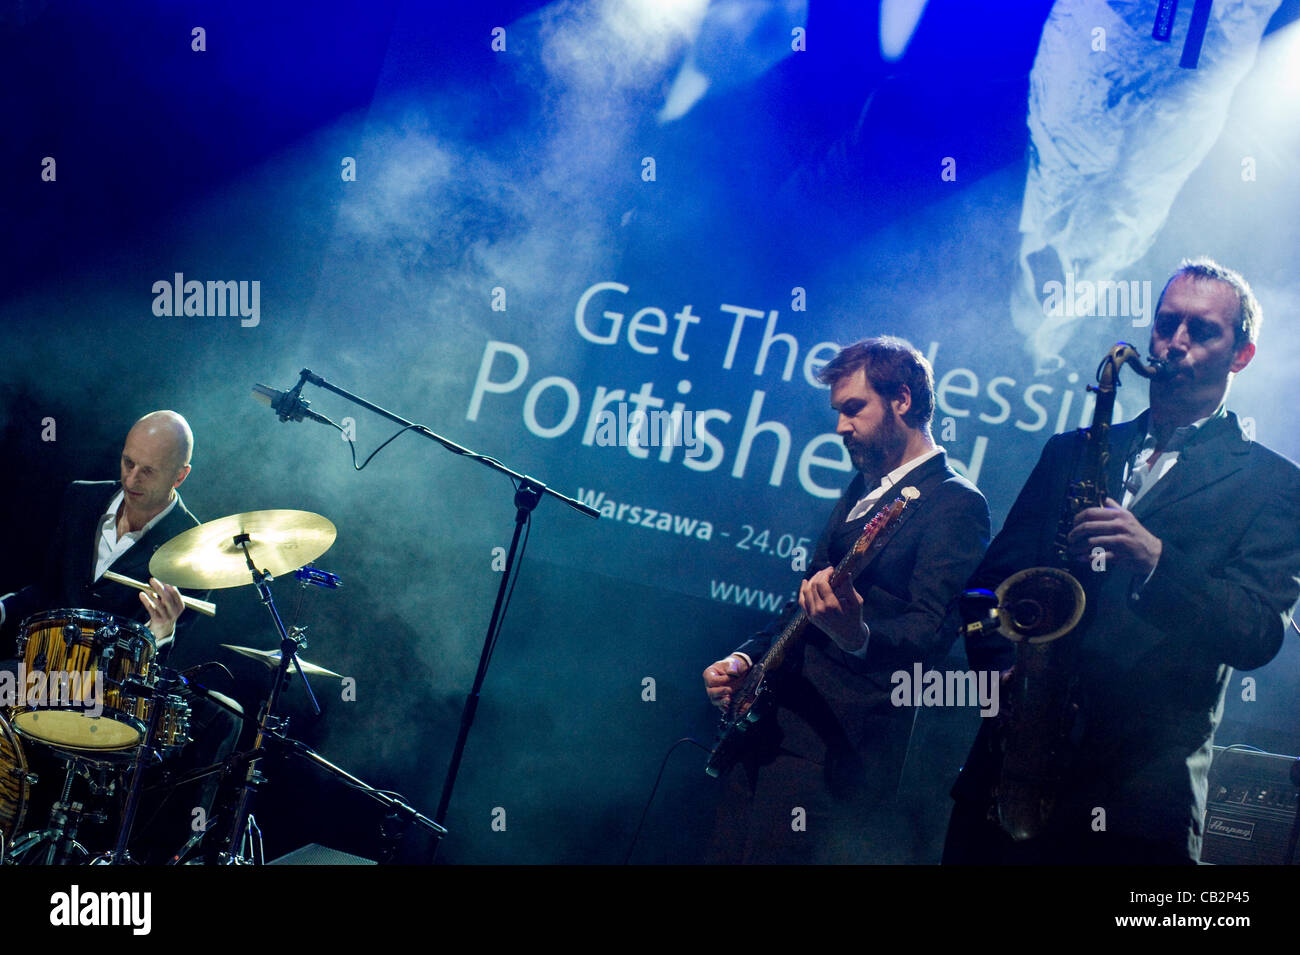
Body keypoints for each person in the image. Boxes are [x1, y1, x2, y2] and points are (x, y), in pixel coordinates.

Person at [944, 258, 1300, 865]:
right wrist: (1000, 673)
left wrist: (1156, 559)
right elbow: (983, 592)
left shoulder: (1274, 485)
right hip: (1008, 772)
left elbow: (1257, 633)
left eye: (1202, 330)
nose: (1175, 342)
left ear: (1241, 355)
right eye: (1166, 324)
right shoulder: (1070, 453)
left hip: (1136, 798)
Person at [702, 336, 990, 863]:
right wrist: (747, 658)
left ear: (902, 399)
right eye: (838, 412)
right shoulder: (864, 487)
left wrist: (858, 636)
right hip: (772, 726)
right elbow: (805, 602)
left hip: (835, 755)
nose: (840, 427)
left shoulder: (957, 504)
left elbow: (930, 636)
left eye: (853, 409)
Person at [0, 410, 241, 862]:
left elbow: (155, 668)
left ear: (181, 475)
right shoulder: (80, 501)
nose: (132, 477)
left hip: (102, 691)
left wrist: (161, 630)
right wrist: (3, 607)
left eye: (148, 470)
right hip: (42, 673)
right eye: (128, 462)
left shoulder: (196, 549)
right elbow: (46, 591)